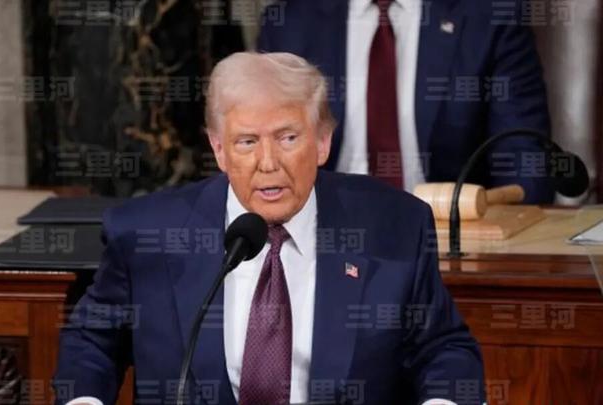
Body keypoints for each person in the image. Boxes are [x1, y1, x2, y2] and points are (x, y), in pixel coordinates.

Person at [54, 52, 485, 405]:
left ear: (322, 142)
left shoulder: (394, 226)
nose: (268, 162)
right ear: (219, 149)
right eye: (247, 142)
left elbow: (443, 349)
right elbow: (92, 342)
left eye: (287, 138)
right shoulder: (145, 235)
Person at [258, 0, 554, 203]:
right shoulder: (289, 23)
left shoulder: (490, 16)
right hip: (326, 237)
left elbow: (523, 158)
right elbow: (263, 153)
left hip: (449, 237)